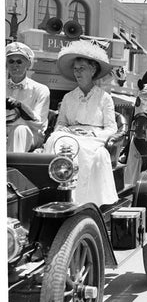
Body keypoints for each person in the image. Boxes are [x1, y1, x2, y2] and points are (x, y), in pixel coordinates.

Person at [44, 40, 118, 206]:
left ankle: (79, 200)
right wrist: (67, 131)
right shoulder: (68, 97)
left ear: (93, 70)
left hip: (94, 138)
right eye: (75, 69)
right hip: (69, 135)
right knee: (55, 140)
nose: (77, 73)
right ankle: (54, 193)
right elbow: (60, 124)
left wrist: (93, 133)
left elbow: (112, 128)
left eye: (82, 68)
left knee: (86, 150)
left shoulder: (104, 98)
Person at [6, 42, 50, 152]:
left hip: (31, 133)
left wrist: (21, 106)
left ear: (28, 65)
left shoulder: (40, 89)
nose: (14, 65)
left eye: (19, 61)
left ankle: (13, 168)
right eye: (11, 61)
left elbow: (38, 122)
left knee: (20, 130)